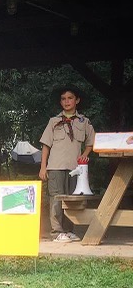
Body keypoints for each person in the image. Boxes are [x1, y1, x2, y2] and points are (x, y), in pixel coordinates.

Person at [39, 86, 95, 243]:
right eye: (63, 99)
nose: (66, 101)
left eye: (70, 98)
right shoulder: (53, 121)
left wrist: (84, 156)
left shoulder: (84, 122)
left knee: (71, 199)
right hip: (55, 166)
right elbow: (46, 145)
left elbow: (91, 143)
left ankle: (69, 230)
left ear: (77, 100)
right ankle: (56, 232)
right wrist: (43, 167)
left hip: (75, 168)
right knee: (56, 199)